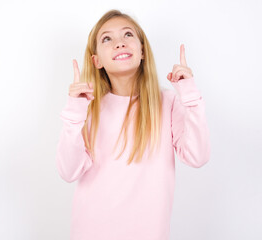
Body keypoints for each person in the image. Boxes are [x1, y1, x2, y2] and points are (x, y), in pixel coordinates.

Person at [56, 9, 211, 240]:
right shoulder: (87, 108)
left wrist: (190, 96)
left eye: (127, 35)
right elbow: (68, 172)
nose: (119, 43)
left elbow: (197, 157)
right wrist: (73, 115)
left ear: (142, 51)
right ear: (96, 60)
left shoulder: (167, 103)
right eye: (107, 38)